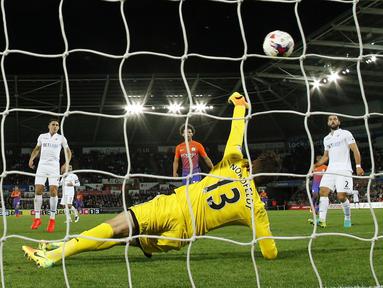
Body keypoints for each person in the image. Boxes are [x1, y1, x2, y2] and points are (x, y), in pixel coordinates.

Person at [22, 92, 282, 268]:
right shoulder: (256, 209)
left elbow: (236, 133)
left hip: (169, 207)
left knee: (115, 226)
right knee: (121, 238)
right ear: (268, 181)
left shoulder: (234, 163)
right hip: (179, 237)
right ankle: (62, 245)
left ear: (254, 162)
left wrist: (239, 105)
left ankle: (53, 256)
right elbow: (269, 252)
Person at [314, 115, 364, 228]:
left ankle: (347, 217)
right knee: (323, 191)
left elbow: (355, 150)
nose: (333, 121)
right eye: (330, 119)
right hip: (331, 169)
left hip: (344, 169)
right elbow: (326, 156)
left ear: (339, 122)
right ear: (328, 123)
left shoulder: (346, 133)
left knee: (341, 196)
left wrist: (358, 166)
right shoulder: (326, 139)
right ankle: (322, 220)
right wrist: (315, 165)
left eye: (335, 119)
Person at [28, 118, 72, 233]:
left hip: (54, 167)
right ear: (49, 126)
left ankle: (52, 220)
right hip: (42, 166)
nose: (55, 126)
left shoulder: (61, 138)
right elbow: (37, 149)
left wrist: (66, 164)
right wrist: (31, 159)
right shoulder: (42, 136)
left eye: (57, 125)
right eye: (53, 124)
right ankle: (37, 219)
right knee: (38, 190)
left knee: (53, 191)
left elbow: (68, 151)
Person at [308, 155, 327, 224]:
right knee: (315, 196)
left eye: (320, 158)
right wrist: (310, 174)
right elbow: (310, 174)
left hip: (322, 184)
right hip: (315, 184)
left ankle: (316, 209)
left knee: (319, 197)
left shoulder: (325, 167)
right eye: (318, 158)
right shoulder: (314, 166)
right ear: (316, 159)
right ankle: (312, 206)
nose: (319, 159)